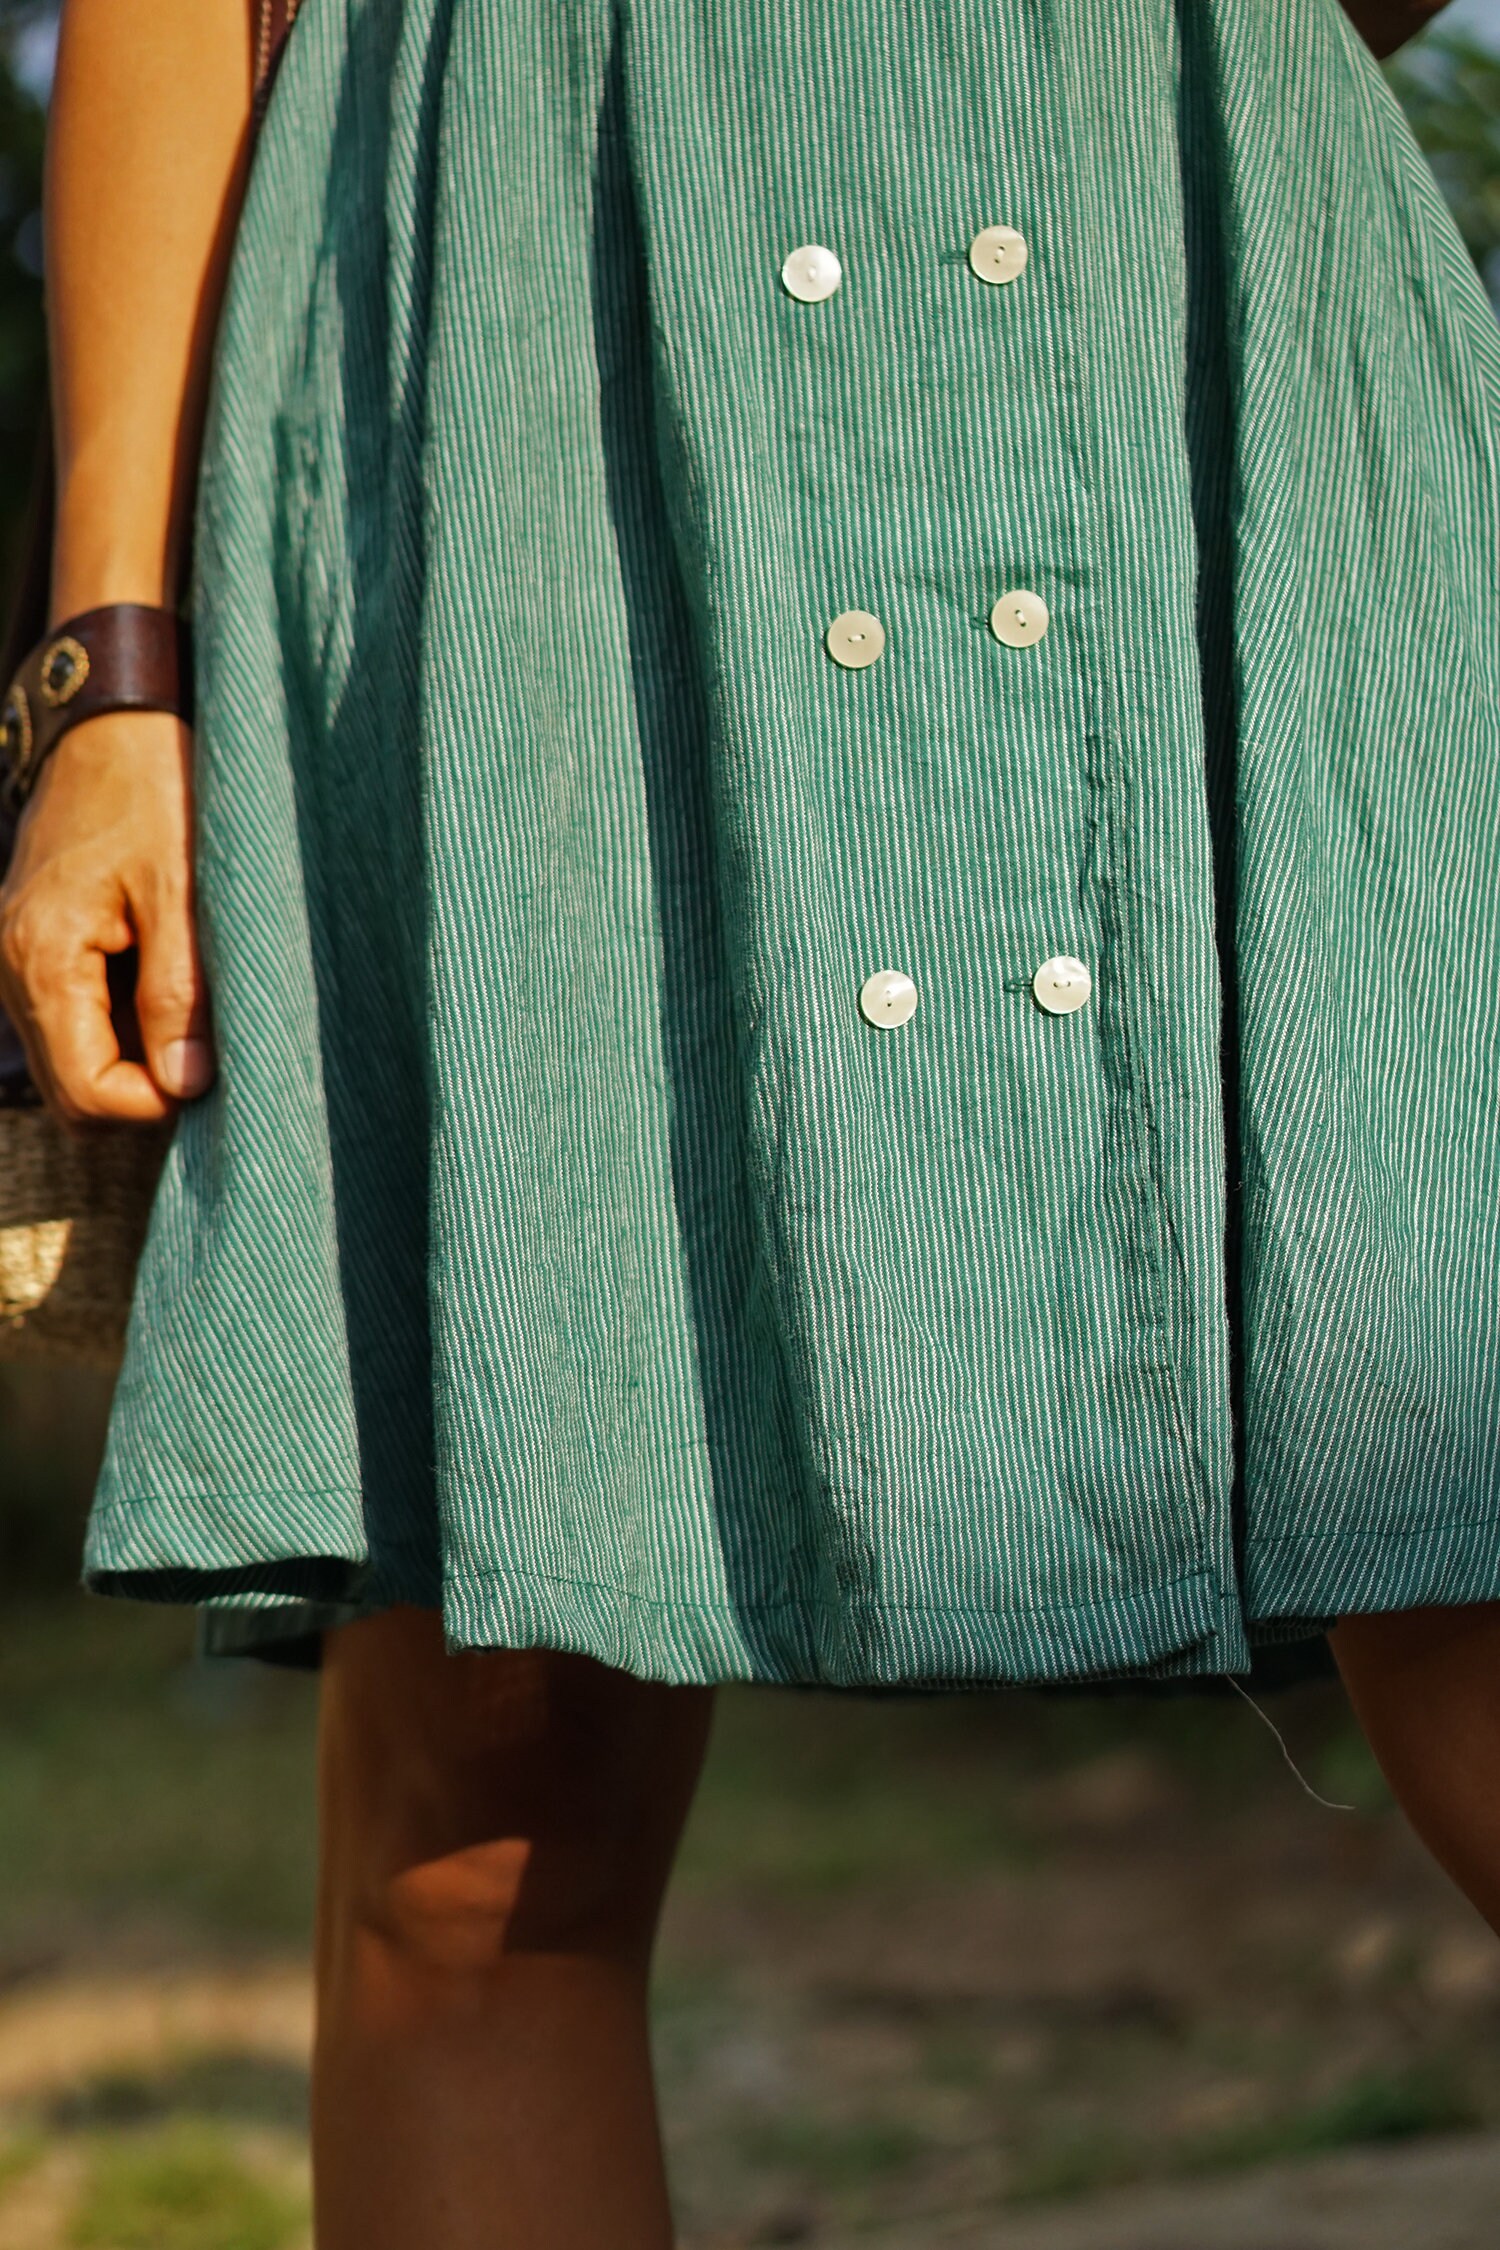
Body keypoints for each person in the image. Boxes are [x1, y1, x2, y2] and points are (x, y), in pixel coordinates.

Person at [3, 0, 1499, 2241]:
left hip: (1168, 279)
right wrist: (107, 680)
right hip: (521, 365)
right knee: (487, 1809)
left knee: (1471, 1535)